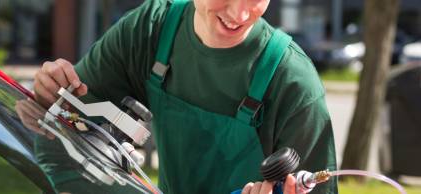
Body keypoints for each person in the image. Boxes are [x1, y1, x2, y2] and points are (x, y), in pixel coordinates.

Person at [33, 0, 338, 193]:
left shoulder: (293, 84)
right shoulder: (150, 29)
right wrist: (49, 93)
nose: (239, 13)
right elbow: (63, 128)